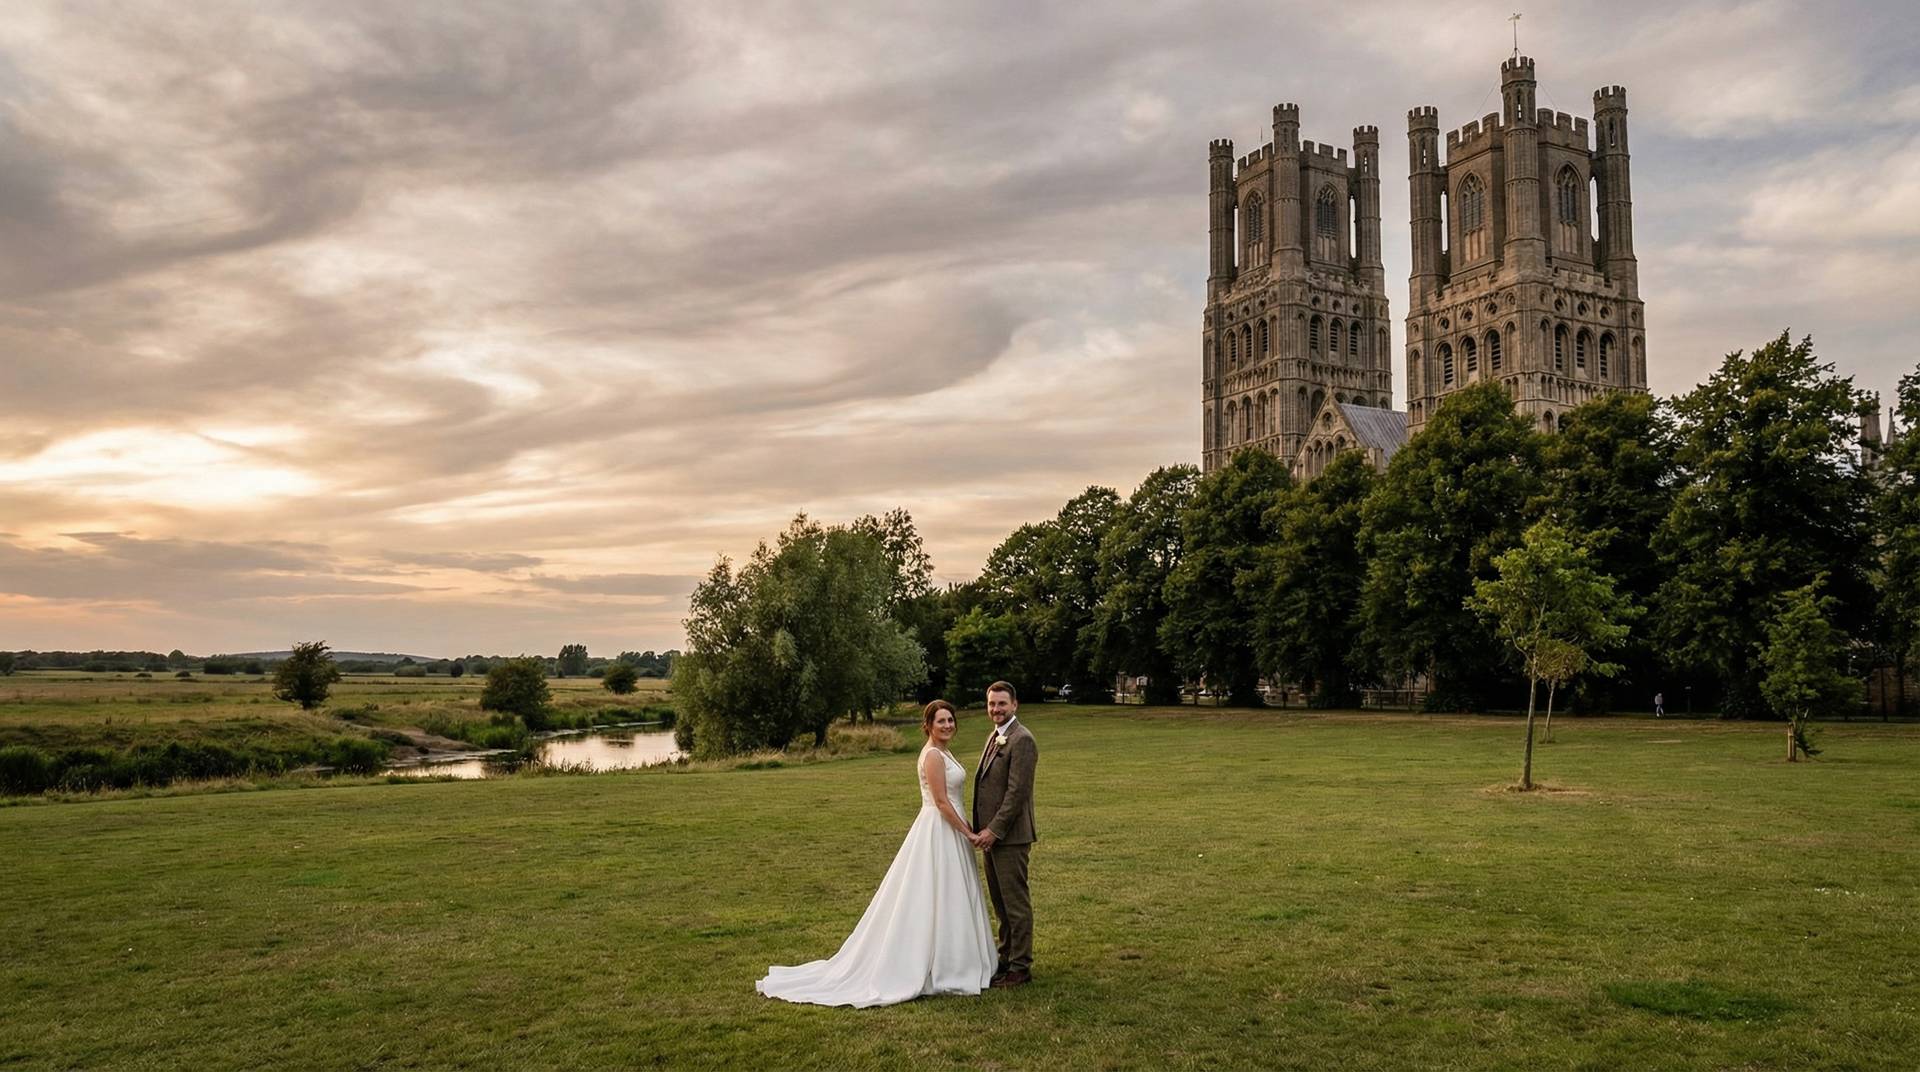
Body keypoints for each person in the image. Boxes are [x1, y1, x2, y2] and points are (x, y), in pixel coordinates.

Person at [755, 700, 995, 1007]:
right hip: (939, 828)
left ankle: (957, 958)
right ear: (928, 726)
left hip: (951, 827)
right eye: (941, 721)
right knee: (937, 891)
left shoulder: (944, 752)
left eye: (950, 720)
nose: (948, 725)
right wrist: (968, 832)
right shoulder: (933, 755)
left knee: (952, 892)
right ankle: (943, 965)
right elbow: (941, 802)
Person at [971, 680, 1038, 989]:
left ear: (1014, 705)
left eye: (1001, 703)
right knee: (1000, 903)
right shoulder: (995, 735)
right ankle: (1006, 957)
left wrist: (993, 830)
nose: (996, 709)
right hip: (991, 837)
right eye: (991, 704)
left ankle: (1021, 967)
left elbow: (1016, 794)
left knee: (1015, 903)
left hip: (1010, 837)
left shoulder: (1022, 739)